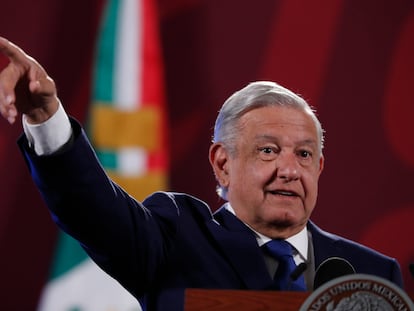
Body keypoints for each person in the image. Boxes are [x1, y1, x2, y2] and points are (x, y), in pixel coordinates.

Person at [0, 37, 403, 310]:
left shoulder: (369, 272)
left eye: (303, 154)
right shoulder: (176, 238)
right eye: (268, 151)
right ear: (222, 163)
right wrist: (43, 116)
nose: (289, 170)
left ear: (318, 168)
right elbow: (92, 208)